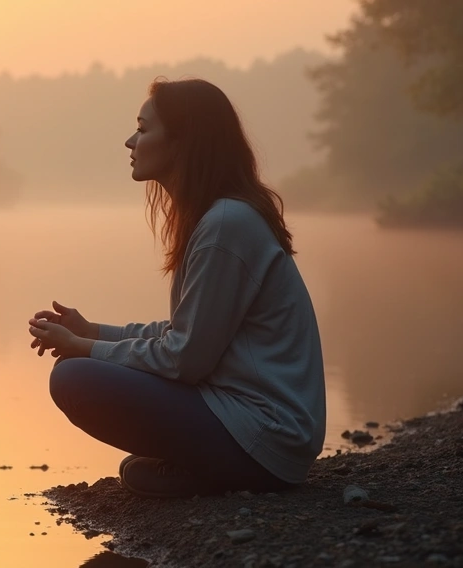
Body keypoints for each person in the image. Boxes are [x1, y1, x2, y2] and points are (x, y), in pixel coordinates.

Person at [27, 78, 326, 498]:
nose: (130, 141)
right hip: (259, 431)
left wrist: (84, 348)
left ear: (183, 142)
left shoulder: (226, 225)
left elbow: (185, 359)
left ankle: (223, 473)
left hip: (266, 436)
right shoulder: (218, 219)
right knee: (131, 462)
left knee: (73, 377)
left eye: (143, 129)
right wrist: (93, 331)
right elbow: (185, 334)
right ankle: (203, 471)